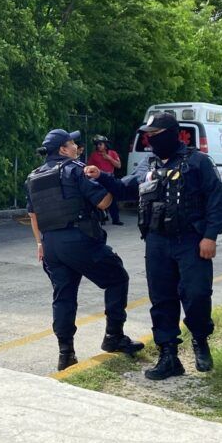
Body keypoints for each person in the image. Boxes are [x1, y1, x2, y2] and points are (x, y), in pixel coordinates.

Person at [86, 112, 222, 380]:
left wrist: (210, 236)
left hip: (191, 241)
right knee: (161, 299)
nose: (150, 140)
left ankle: (200, 341)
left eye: (155, 135)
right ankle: (168, 356)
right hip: (157, 242)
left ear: (172, 134)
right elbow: (124, 188)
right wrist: (100, 176)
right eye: (148, 136)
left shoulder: (197, 162)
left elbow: (216, 201)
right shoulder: (147, 165)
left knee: (196, 294)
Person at [25, 129, 145, 371]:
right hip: (79, 240)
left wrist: (40, 244)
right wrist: (110, 183)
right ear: (62, 149)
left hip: (51, 246)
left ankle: (66, 353)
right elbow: (103, 202)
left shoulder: (34, 177)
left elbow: (33, 215)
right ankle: (113, 336)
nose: (76, 147)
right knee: (117, 278)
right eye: (72, 144)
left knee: (64, 297)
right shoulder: (75, 169)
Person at [87, 135, 124, 226]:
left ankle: (116, 219)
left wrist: (109, 158)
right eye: (97, 144)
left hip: (110, 179)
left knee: (113, 199)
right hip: (98, 179)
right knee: (100, 198)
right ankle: (102, 218)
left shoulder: (113, 153)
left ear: (105, 144)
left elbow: (118, 165)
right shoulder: (94, 155)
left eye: (100, 144)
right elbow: (88, 167)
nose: (98, 146)